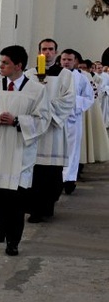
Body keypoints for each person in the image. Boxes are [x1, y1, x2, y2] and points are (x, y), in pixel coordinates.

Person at [0, 45, 49, 256]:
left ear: (19, 65)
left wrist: (17, 120)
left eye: (5, 63)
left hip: (19, 150)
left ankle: (13, 240)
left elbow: (43, 120)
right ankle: (1, 227)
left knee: (16, 198)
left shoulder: (37, 90)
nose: (1, 66)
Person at [24, 38, 75, 223]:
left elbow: (69, 100)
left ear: (56, 52)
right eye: (44, 49)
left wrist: (46, 109)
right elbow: (24, 98)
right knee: (34, 170)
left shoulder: (65, 75)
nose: (47, 52)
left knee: (50, 173)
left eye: (51, 49)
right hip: (34, 130)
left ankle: (48, 206)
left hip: (53, 131)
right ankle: (33, 209)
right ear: (39, 51)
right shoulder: (30, 74)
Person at [60, 49, 94, 194]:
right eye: (64, 59)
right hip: (57, 119)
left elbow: (89, 98)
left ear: (75, 61)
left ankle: (69, 180)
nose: (66, 62)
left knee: (72, 151)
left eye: (69, 59)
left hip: (73, 119)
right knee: (57, 150)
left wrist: (73, 101)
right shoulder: (55, 75)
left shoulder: (82, 78)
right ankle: (57, 179)